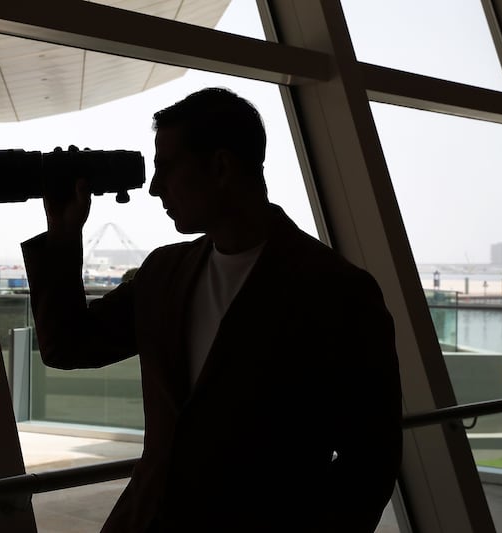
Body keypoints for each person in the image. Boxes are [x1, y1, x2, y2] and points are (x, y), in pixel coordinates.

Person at [21, 87, 403, 532]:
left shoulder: (336, 293)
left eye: (166, 168)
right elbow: (68, 346)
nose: (154, 187)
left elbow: (370, 462)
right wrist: (64, 236)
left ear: (220, 167)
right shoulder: (164, 272)